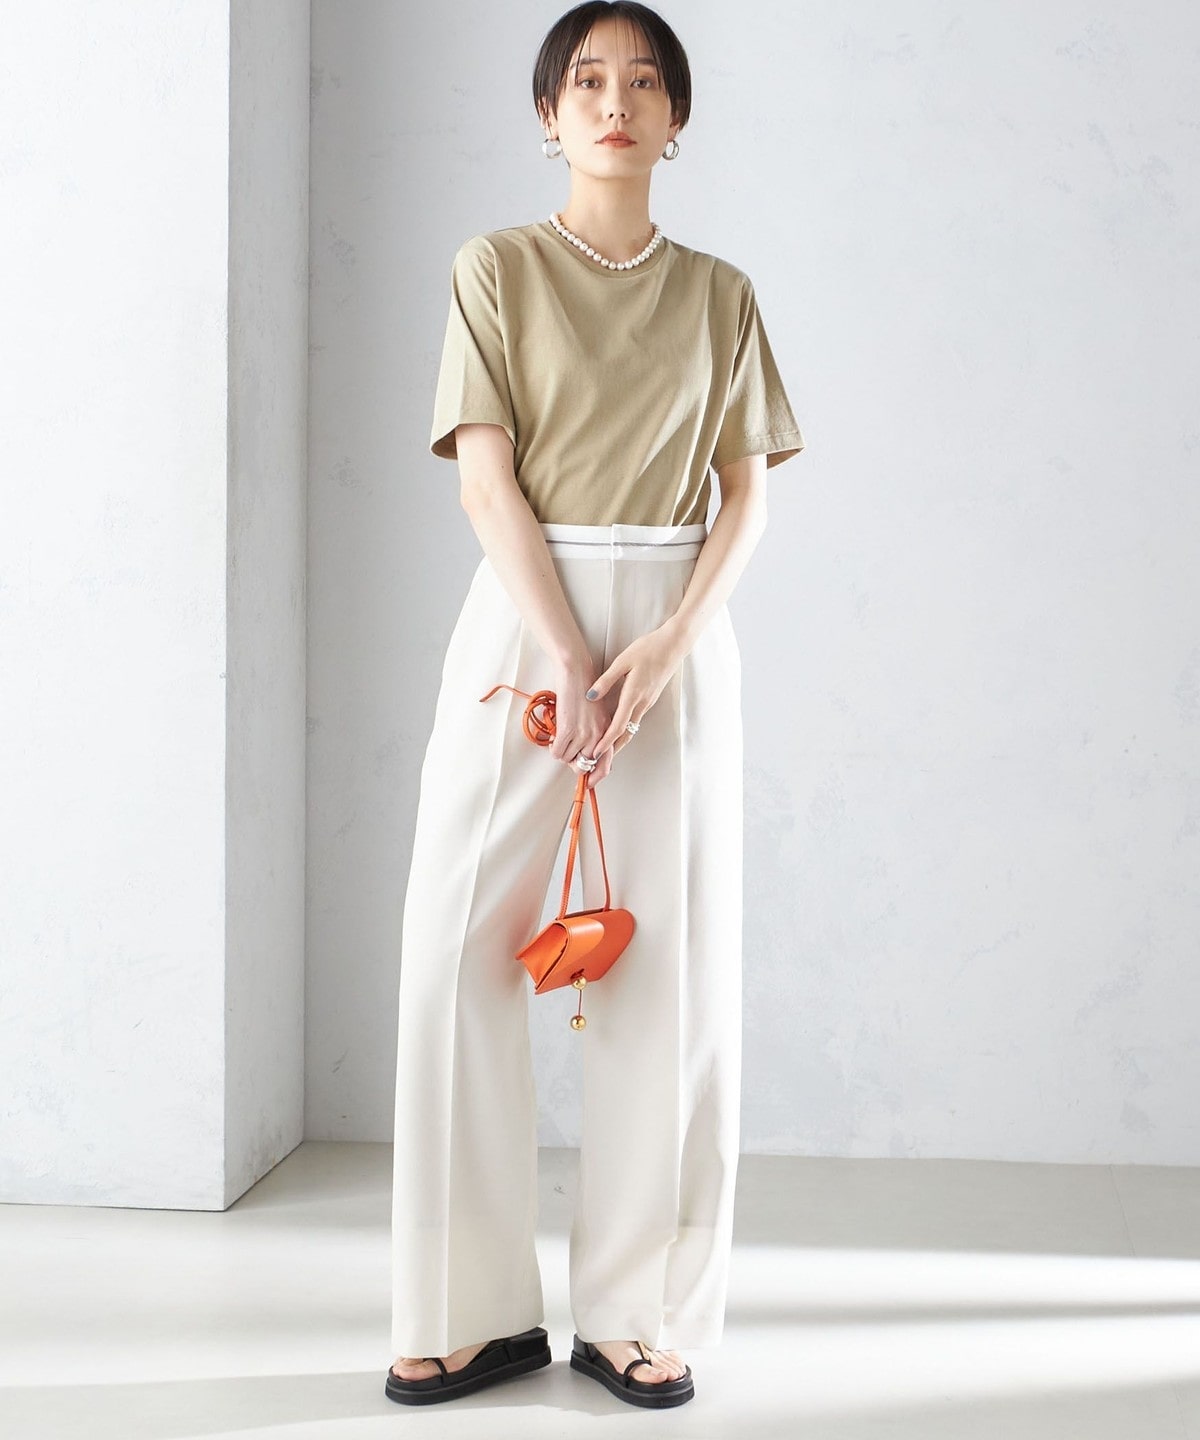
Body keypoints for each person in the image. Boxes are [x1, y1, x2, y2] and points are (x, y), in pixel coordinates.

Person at [385, 0, 804, 1411]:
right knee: (456, 952)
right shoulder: (495, 269)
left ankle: (639, 1311)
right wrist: (566, 648)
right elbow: (483, 477)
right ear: (547, 115)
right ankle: (467, 1308)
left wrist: (672, 642)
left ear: (676, 118)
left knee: (665, 977)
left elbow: (748, 497)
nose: (614, 102)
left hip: (677, 633)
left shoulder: (721, 294)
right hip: (528, 622)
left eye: (642, 82)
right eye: (585, 81)